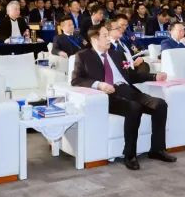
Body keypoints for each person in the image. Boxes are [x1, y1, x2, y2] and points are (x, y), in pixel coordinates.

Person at [71, 26, 177, 170]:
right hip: (108, 96)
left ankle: (157, 150)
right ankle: (129, 155)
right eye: (105, 36)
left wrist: (153, 76)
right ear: (95, 39)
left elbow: (130, 76)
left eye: (108, 35)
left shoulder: (117, 54)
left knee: (160, 104)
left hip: (128, 91)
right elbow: (76, 80)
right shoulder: (83, 56)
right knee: (134, 107)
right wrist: (99, 85)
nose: (109, 39)